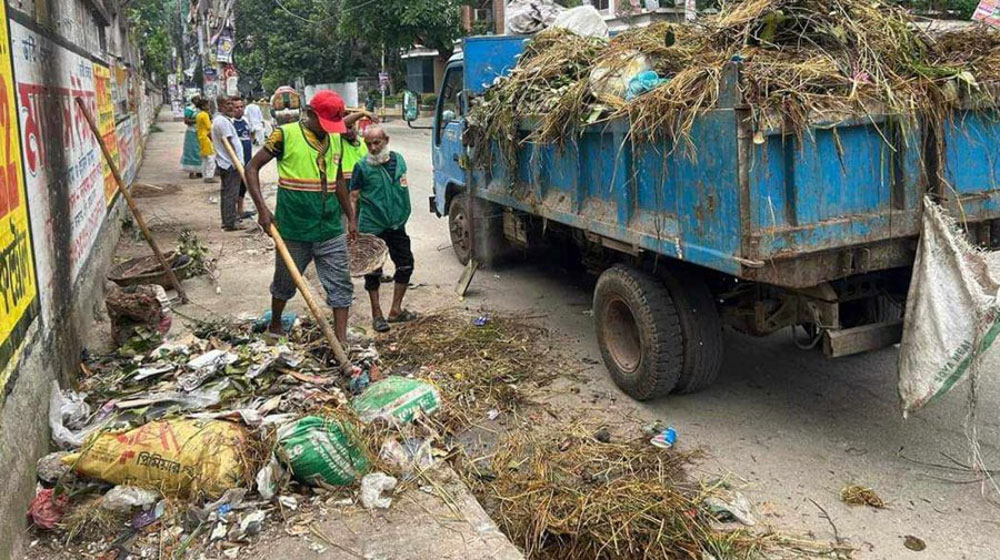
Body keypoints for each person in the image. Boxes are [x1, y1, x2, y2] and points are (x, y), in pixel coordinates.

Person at [244, 90, 357, 343]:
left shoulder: (335, 137)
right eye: (324, 123)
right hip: (294, 228)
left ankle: (341, 343)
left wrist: (350, 216)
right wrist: (262, 210)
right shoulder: (285, 135)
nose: (329, 129)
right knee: (284, 284)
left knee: (341, 286)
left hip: (329, 227)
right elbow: (251, 168)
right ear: (310, 113)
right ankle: (275, 326)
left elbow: (338, 180)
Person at [349, 125, 416, 332]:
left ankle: (395, 310)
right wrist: (352, 222)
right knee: (373, 271)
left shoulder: (399, 160)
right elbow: (354, 196)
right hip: (372, 224)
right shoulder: (362, 167)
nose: (373, 147)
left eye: (377, 143)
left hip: (396, 223)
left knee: (405, 265)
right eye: (368, 144)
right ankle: (376, 315)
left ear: (386, 140)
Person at [210, 95, 245, 231]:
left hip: (226, 162)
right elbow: (228, 143)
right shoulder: (222, 122)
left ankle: (228, 221)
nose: (231, 107)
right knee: (231, 194)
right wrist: (237, 162)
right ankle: (230, 223)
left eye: (232, 104)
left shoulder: (221, 120)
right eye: (228, 104)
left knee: (227, 194)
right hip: (230, 163)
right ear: (220, 106)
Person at [231, 97, 256, 220]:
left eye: (241, 106)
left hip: (247, 159)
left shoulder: (246, 121)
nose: (239, 109)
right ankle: (233, 212)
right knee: (234, 185)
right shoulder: (230, 123)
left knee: (244, 185)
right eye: (236, 107)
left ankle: (240, 210)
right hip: (235, 161)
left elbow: (252, 134)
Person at [194, 97, 217, 183]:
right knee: (211, 158)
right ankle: (209, 176)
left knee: (204, 158)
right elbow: (209, 127)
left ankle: (205, 175)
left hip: (201, 137)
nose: (209, 106)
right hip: (207, 137)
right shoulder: (205, 115)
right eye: (207, 105)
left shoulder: (199, 115)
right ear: (203, 106)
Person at [181, 97, 203, 178]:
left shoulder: (201, 110)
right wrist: (198, 120)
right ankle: (191, 172)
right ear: (193, 100)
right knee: (192, 152)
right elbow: (186, 121)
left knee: (200, 151)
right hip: (192, 133)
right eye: (196, 99)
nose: (198, 101)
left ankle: (199, 171)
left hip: (200, 132)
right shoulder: (189, 109)